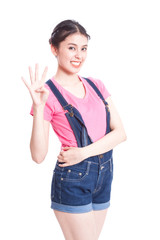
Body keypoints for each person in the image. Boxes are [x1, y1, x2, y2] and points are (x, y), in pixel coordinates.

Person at [21, 19, 127, 240]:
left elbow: (120, 133)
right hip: (74, 178)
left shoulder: (96, 85)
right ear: (54, 48)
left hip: (104, 175)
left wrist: (83, 152)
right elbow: (38, 156)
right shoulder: (47, 94)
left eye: (83, 48)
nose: (79, 55)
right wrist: (39, 108)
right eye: (71, 48)